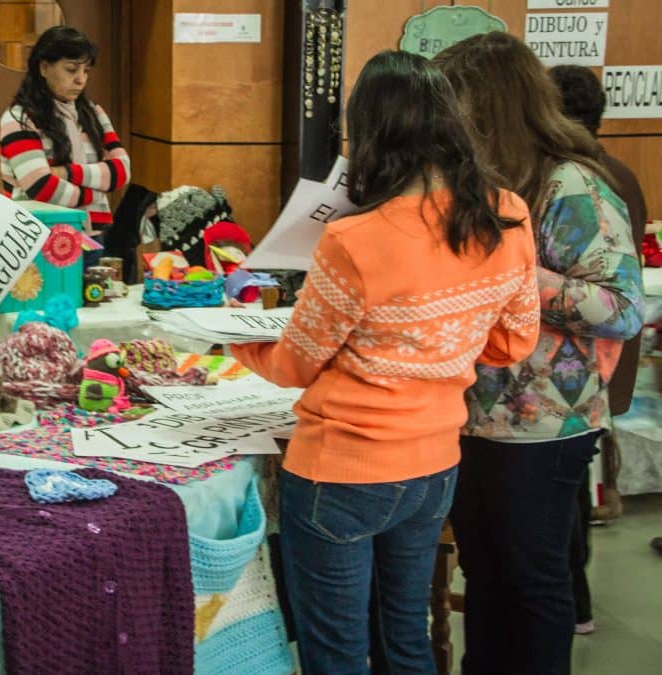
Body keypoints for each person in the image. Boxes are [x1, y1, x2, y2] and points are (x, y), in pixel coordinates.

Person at [229, 50, 540, 674]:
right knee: (407, 637)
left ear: (369, 133)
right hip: (435, 463)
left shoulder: (355, 239)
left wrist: (234, 336)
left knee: (337, 652)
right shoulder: (506, 212)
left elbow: (294, 364)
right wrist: (439, 336)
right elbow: (513, 343)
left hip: (342, 469)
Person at [434, 33, 645, 675]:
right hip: (473, 412)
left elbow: (623, 307)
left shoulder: (572, 184)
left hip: (546, 423)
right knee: (488, 575)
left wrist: (514, 274)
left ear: (490, 108)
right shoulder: (484, 182)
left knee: (532, 580)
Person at [549, 63, 650, 637]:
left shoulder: (576, 178)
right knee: (573, 478)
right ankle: (576, 598)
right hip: (605, 354)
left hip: (578, 358)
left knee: (560, 484)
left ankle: (574, 598)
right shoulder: (619, 172)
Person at [0, 25, 130, 248]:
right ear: (44, 68)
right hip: (41, 237)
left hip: (94, 235)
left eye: (86, 71)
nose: (81, 79)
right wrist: (95, 194)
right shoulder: (19, 118)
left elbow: (121, 171)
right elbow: (41, 187)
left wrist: (66, 172)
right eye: (71, 70)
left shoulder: (93, 113)